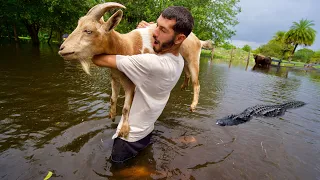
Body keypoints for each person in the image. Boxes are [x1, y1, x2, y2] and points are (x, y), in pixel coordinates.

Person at [92, 6, 194, 163]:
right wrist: (150, 30)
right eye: (156, 26)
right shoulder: (179, 61)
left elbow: (98, 59)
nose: (154, 32)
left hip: (127, 141)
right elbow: (153, 44)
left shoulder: (150, 63)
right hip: (146, 133)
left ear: (179, 39)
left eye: (163, 30)